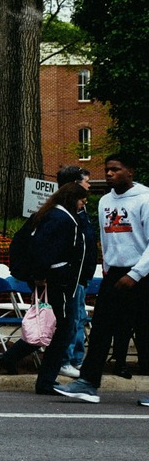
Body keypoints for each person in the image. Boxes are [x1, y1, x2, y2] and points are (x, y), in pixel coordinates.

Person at [57, 154, 149, 403]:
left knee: (144, 332)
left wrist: (136, 274)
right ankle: (88, 383)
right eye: (107, 170)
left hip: (141, 273)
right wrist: (107, 267)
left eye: (115, 169)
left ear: (130, 171)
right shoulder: (105, 201)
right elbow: (107, 239)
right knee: (100, 329)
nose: (109, 174)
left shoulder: (145, 199)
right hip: (114, 274)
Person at [0, 181, 91, 394]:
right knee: (62, 331)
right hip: (60, 281)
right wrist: (40, 274)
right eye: (82, 200)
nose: (83, 205)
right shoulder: (61, 219)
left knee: (47, 325)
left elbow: (27, 243)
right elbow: (44, 249)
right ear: (72, 199)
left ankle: (9, 358)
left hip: (54, 280)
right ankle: (46, 381)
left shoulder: (48, 215)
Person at [55, 165, 98, 379]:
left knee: (79, 318)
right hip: (72, 275)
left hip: (83, 274)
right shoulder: (64, 212)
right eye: (85, 181)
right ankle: (66, 359)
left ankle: (76, 359)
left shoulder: (81, 210)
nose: (89, 186)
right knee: (72, 319)